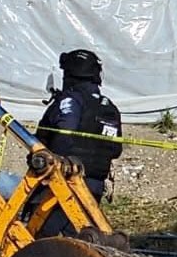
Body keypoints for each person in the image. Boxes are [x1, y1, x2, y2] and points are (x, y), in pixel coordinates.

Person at [30, 48, 123, 238]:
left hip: (61, 183)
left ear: (69, 74)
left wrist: (51, 164)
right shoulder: (109, 106)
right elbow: (115, 149)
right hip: (94, 187)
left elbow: (64, 135)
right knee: (81, 240)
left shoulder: (70, 100)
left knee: (38, 241)